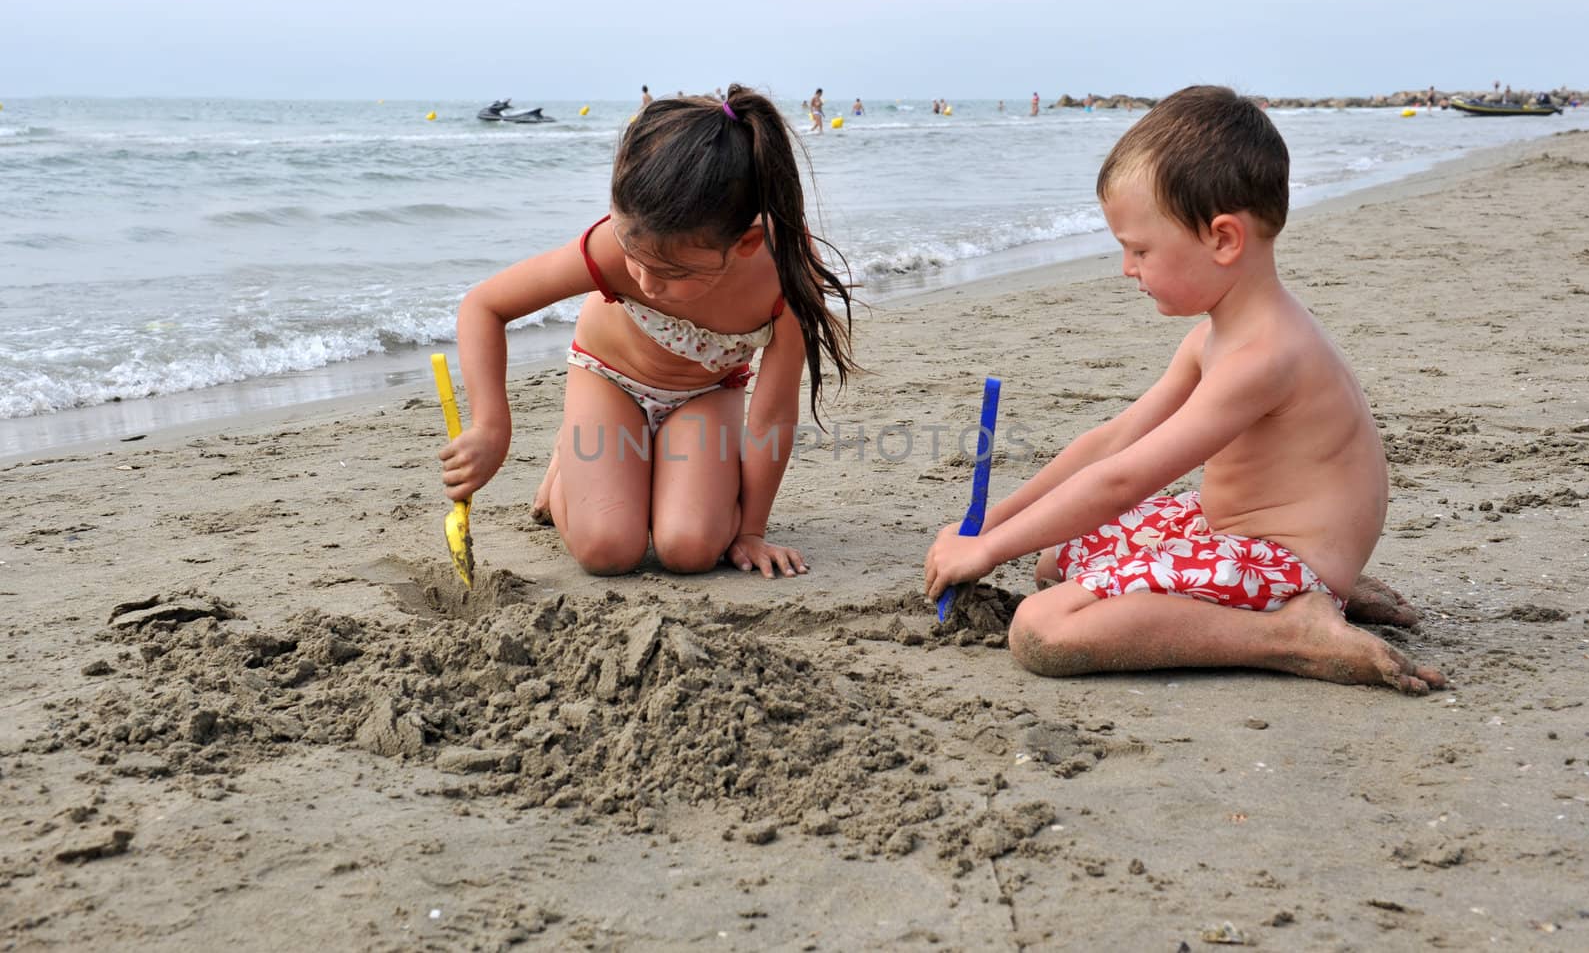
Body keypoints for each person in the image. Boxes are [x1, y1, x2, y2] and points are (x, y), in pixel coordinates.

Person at [924, 85, 1447, 695]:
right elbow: (1112, 442)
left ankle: (1290, 632)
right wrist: (984, 528)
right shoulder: (1213, 338)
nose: (1127, 268)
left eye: (1139, 249)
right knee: (1054, 559)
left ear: (1223, 239)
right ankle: (1306, 597)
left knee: (1043, 628)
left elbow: (1123, 480)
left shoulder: (1264, 357)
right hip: (1240, 533)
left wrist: (985, 555)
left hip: (1286, 552)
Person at [442, 86, 856, 580]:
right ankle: (564, 468)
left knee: (692, 549)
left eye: (669, 271)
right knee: (608, 549)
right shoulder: (616, 246)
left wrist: (751, 531)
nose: (642, 280)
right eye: (632, 257)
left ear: (744, 243)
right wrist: (492, 427)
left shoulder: (785, 269)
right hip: (609, 379)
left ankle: (638, 468)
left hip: (706, 392)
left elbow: (771, 414)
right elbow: (484, 306)